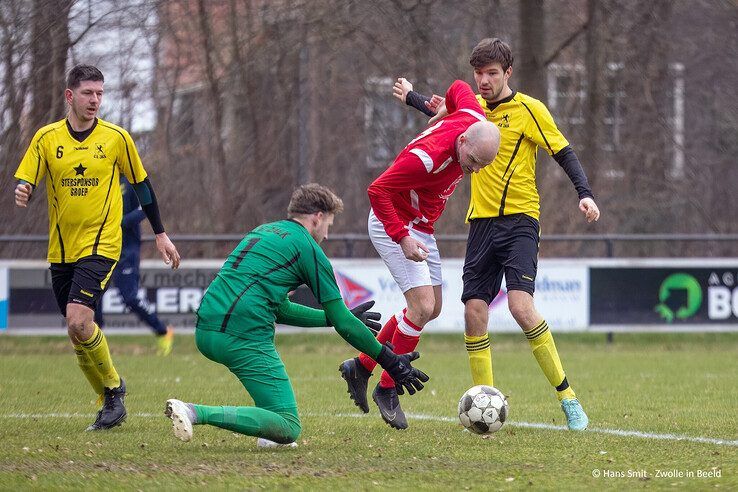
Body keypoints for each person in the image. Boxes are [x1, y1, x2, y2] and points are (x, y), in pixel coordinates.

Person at [395, 38, 601, 431]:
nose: (484, 80)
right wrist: (411, 97)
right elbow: (440, 109)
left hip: (521, 221)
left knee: (521, 308)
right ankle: (484, 404)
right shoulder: (471, 106)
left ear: (508, 73)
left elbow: (563, 151)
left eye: (492, 73)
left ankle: (568, 398)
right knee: (474, 312)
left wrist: (585, 194)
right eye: (479, 73)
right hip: (481, 224)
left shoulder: (529, 110)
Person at [164, 184, 428, 447]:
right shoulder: (308, 249)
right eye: (329, 226)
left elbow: (281, 308)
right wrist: (389, 361)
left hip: (207, 329)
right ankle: (195, 411)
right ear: (318, 217)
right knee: (289, 426)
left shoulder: (264, 231)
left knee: (275, 424)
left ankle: (267, 432)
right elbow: (344, 324)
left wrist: (330, 318)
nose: (327, 235)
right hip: (242, 334)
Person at [13, 64, 180, 431]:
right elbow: (27, 177)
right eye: (88, 93)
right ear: (70, 96)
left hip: (102, 243)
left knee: (78, 319)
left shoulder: (117, 138)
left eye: (100, 94)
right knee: (77, 330)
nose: (95, 100)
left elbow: (143, 185)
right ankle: (109, 396)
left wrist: (160, 234)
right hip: (61, 249)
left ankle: (114, 394)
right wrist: (23, 189)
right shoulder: (46, 138)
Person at [339, 80, 501, 430]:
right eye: (472, 161)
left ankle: (363, 365)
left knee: (435, 307)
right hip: (392, 222)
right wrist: (402, 238)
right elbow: (376, 190)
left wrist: (429, 105)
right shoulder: (424, 161)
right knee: (422, 307)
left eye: (480, 166)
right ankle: (388, 387)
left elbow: (459, 87)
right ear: (462, 142)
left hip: (421, 226)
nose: (473, 170)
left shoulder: (472, 113)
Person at [94, 176, 174, 356]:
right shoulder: (101, 176)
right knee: (93, 295)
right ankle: (94, 341)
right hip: (102, 247)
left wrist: (120, 222)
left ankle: (162, 331)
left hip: (126, 250)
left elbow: (143, 209)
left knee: (130, 297)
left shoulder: (130, 179)